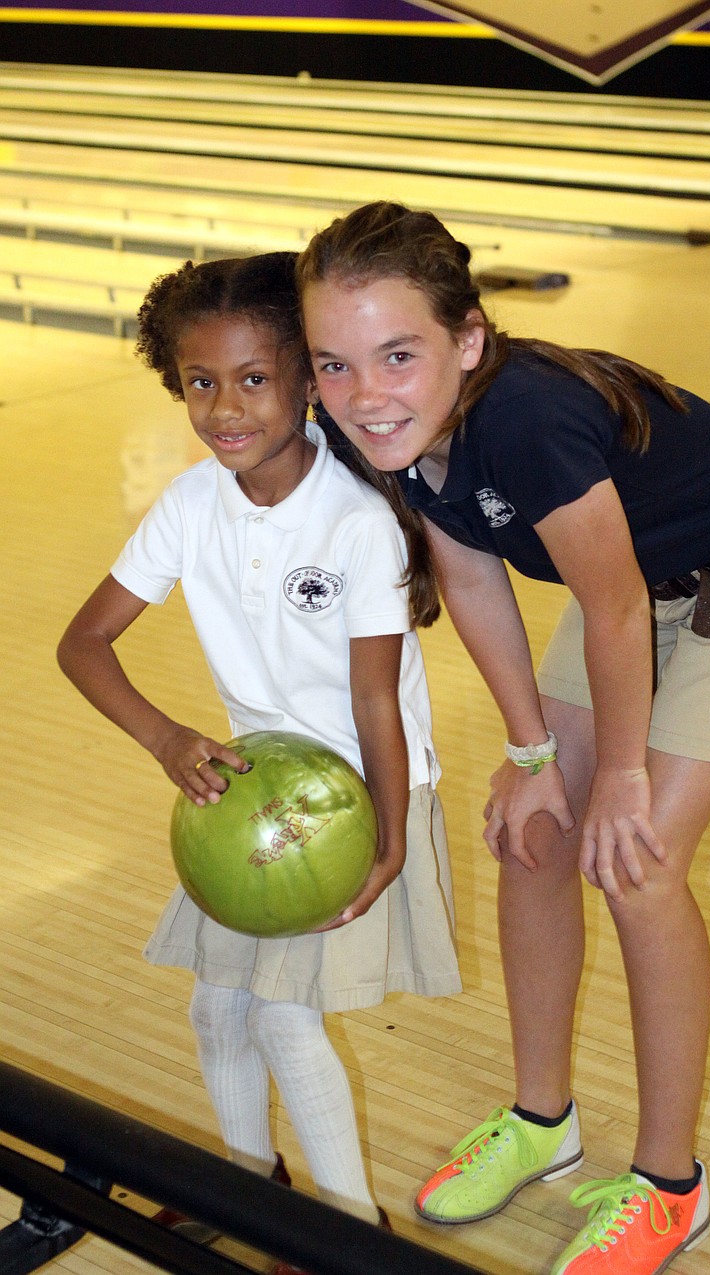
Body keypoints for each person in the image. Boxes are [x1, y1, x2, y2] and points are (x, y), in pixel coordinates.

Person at [295, 201, 710, 1275]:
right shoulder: (390, 430)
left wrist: (623, 776)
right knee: (532, 833)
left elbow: (616, 611)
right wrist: (535, 760)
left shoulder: (529, 420)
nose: (366, 395)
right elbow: (467, 573)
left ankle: (670, 1188)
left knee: (632, 863)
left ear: (468, 338)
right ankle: (543, 1121)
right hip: (635, 589)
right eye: (335, 364)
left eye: (397, 355)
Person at [57, 252, 461, 1269]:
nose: (225, 407)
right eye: (201, 381)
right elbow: (82, 642)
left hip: (358, 801)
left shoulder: (356, 521)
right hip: (251, 797)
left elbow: (375, 699)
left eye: (253, 378)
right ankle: (244, 1188)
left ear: (305, 381)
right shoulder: (194, 503)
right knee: (215, 1006)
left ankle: (339, 1238)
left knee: (285, 1022)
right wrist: (164, 737)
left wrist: (385, 841)